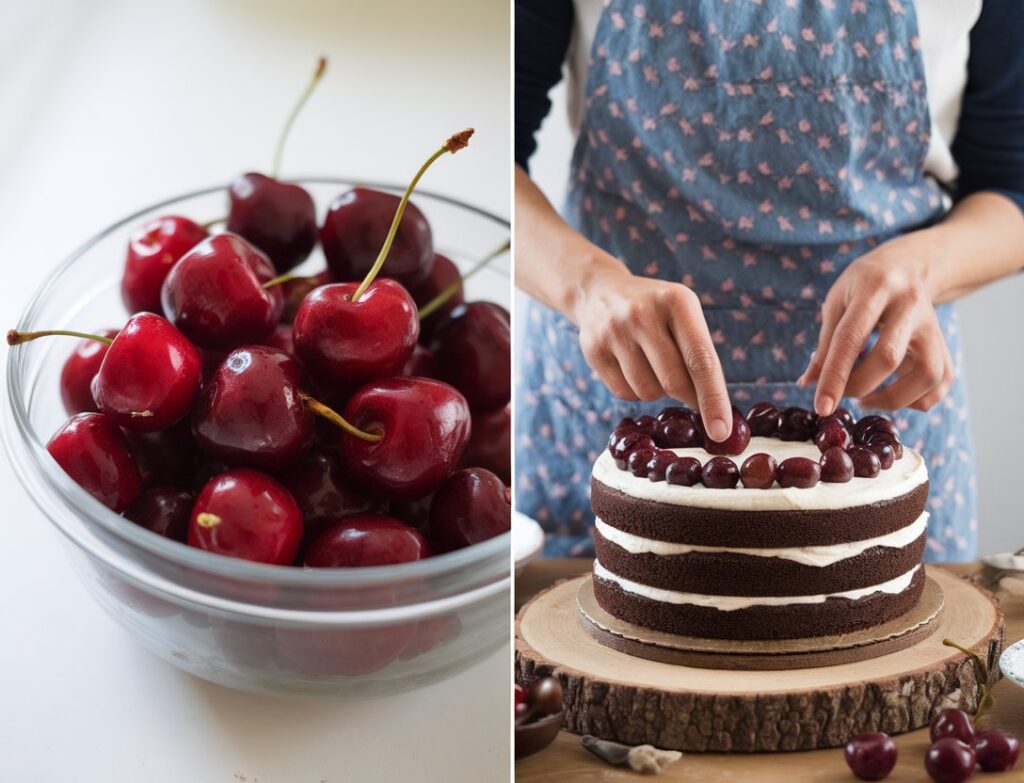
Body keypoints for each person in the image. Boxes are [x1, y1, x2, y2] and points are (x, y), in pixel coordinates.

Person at [514, 0, 1024, 558]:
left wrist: (921, 268)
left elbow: (1010, 185)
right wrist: (588, 285)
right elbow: (494, 146)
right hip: (616, 388)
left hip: (879, 404)